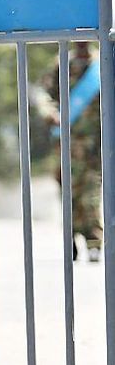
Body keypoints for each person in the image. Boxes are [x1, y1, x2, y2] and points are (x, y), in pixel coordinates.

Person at [41, 40, 102, 263]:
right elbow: (44, 94)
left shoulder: (100, 64)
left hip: (95, 145)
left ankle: (94, 241)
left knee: (91, 194)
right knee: (69, 193)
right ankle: (71, 241)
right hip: (66, 143)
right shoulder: (61, 64)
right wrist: (51, 114)